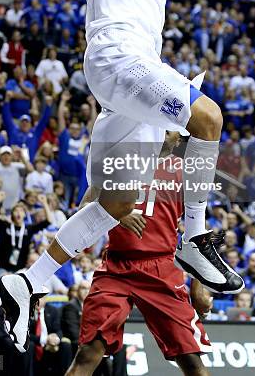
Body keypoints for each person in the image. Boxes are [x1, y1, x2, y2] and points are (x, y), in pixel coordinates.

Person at [0, 0, 243, 353]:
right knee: (209, 118)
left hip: (128, 90)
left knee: (115, 203)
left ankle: (28, 282)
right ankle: (195, 239)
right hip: (117, 59)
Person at [66, 136, 212, 376]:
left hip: (162, 266)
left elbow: (198, 234)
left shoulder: (187, 171)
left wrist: (199, 286)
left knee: (192, 362)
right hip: (116, 266)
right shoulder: (120, 161)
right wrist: (117, 214)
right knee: (87, 353)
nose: (171, 134)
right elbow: (84, 209)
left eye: (174, 130)